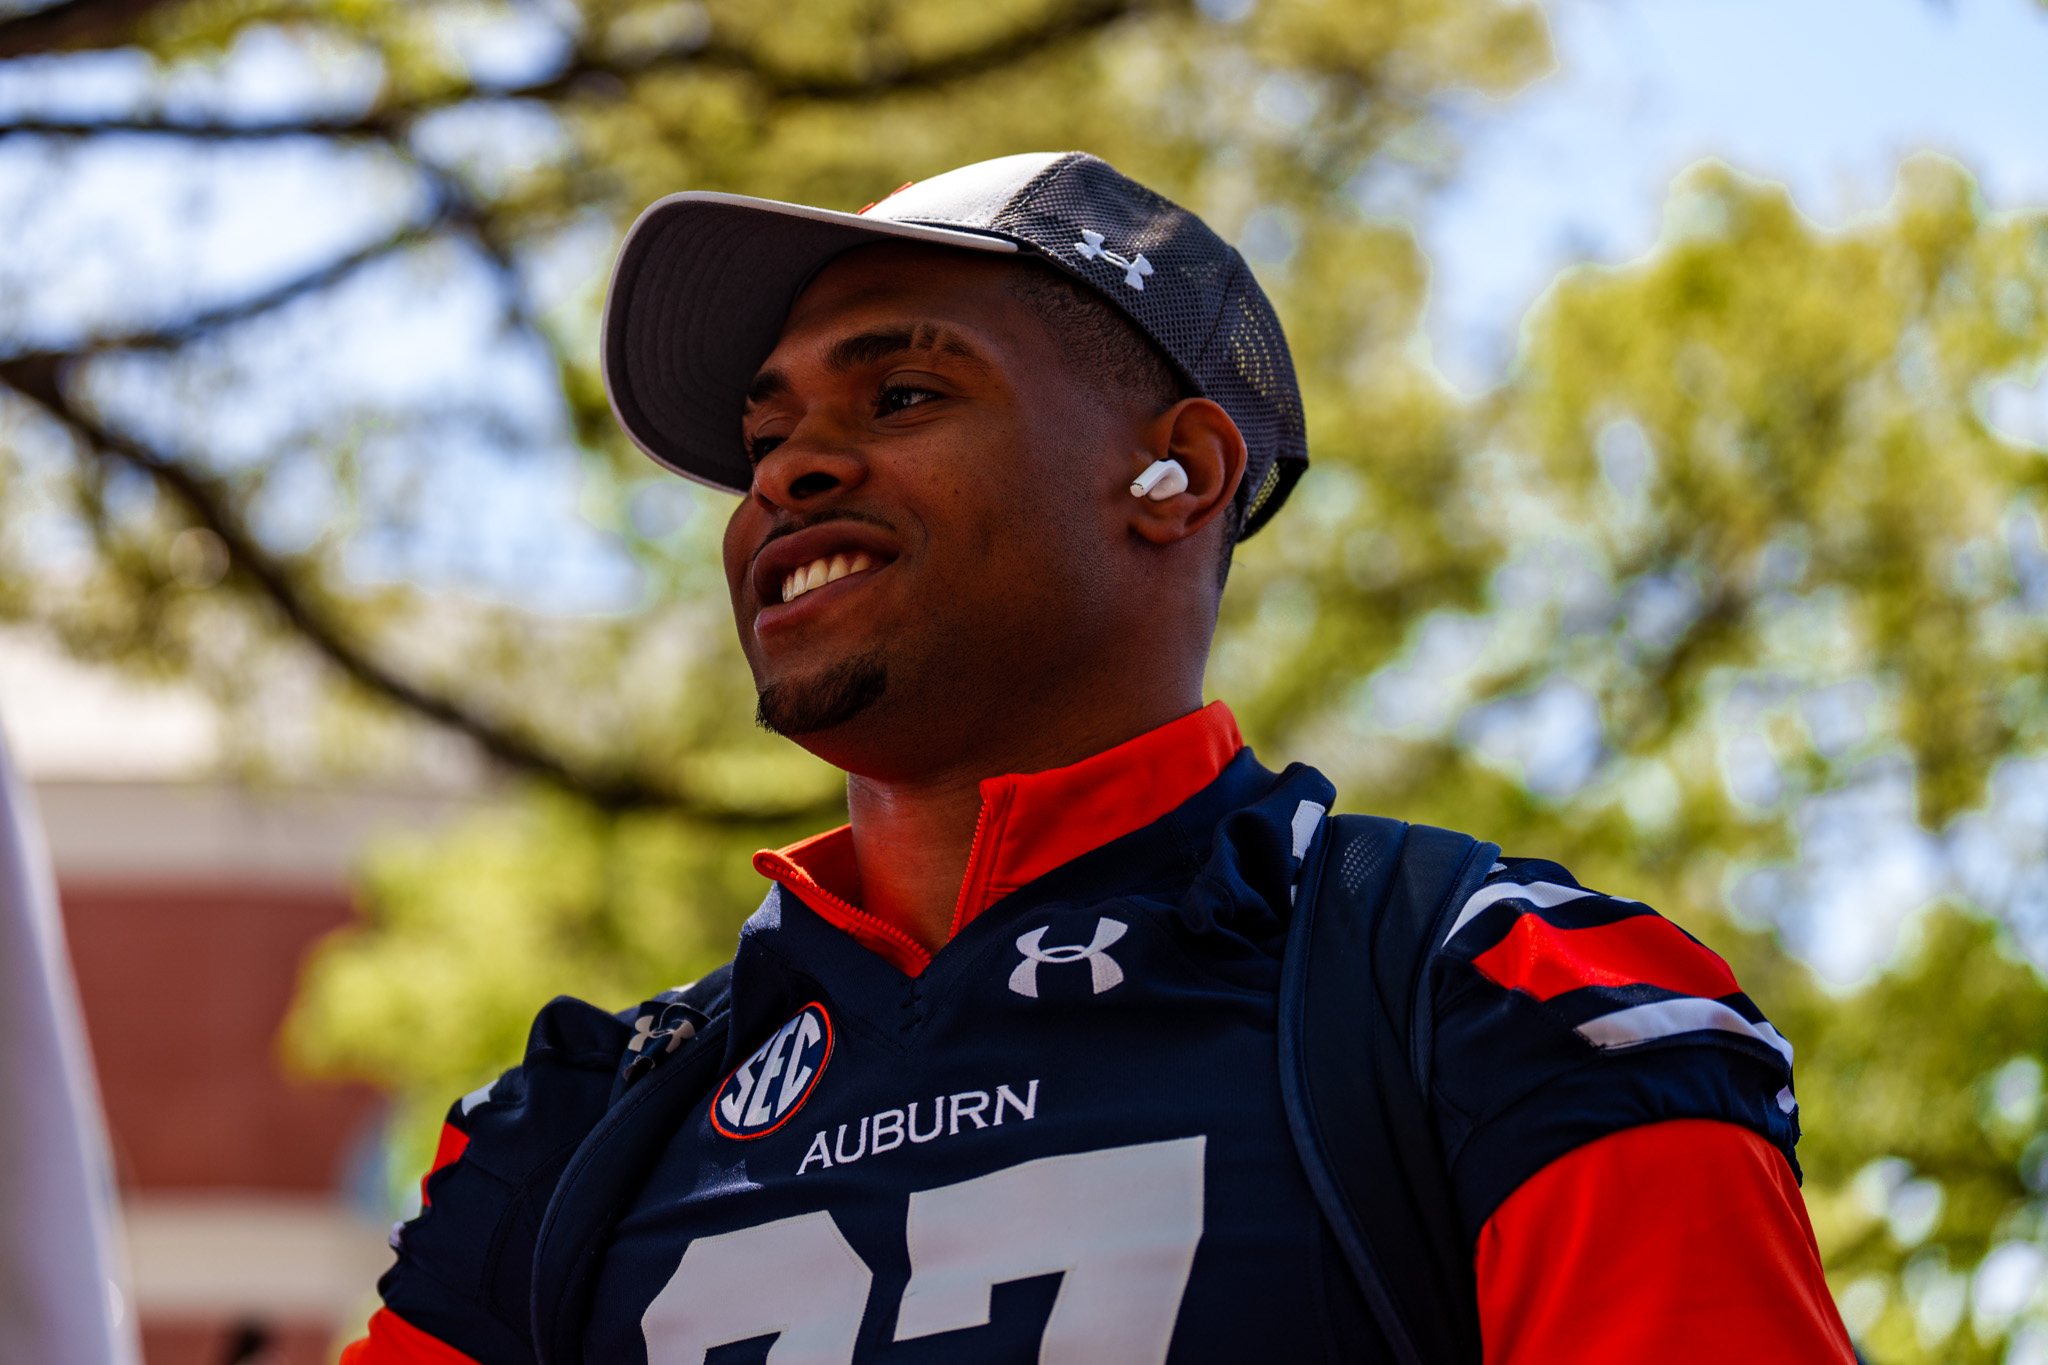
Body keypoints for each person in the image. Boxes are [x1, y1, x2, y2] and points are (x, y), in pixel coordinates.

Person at [341, 152, 1856, 1364]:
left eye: (904, 394)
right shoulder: (574, 1130)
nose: (790, 470)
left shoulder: (1510, 996)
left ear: (1176, 473)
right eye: (768, 436)